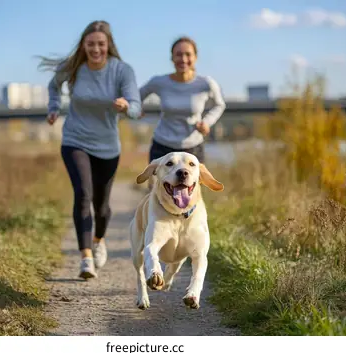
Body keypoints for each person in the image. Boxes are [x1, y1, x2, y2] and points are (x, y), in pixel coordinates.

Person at [39, 20, 142, 279]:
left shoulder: (122, 71)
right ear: (83, 46)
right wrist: (54, 107)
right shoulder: (74, 68)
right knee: (83, 194)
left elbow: (137, 108)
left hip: (107, 146)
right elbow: (54, 85)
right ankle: (85, 257)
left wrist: (126, 107)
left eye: (101, 44)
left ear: (109, 46)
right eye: (90, 44)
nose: (96, 49)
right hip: (75, 139)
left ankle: (98, 240)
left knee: (102, 207)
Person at [139, 36, 226, 184]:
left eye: (188, 54)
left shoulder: (206, 83)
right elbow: (136, 97)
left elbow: (219, 105)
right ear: (172, 58)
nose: (183, 59)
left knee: (190, 197)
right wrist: (137, 109)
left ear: (195, 58)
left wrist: (207, 122)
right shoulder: (159, 82)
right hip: (162, 146)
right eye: (178, 54)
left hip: (192, 148)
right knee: (156, 193)